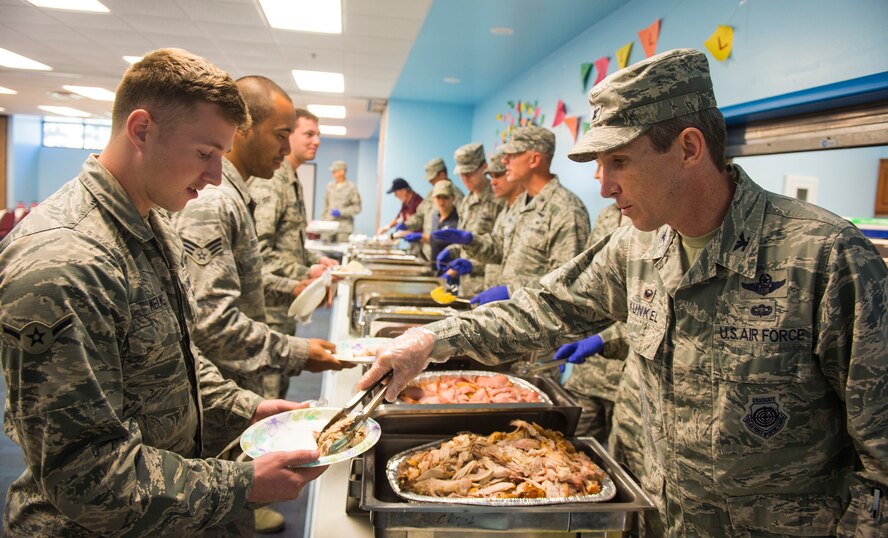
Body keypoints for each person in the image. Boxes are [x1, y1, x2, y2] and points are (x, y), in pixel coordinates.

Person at [359, 48, 888, 537]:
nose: (604, 185)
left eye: (620, 161)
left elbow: (881, 465)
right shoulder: (637, 246)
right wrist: (430, 341)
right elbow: (545, 307)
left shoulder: (826, 258)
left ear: (688, 148)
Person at [0, 48, 328, 537]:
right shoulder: (64, 264)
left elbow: (175, 357)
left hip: (168, 509)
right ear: (141, 130)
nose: (217, 175)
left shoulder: (152, 220)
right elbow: (88, 476)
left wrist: (248, 407)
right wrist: (242, 484)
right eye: (205, 154)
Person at [172, 76, 350, 533]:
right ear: (243, 128)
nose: (287, 146)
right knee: (224, 512)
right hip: (216, 383)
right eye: (281, 134)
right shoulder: (214, 202)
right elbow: (213, 322)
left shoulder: (236, 196)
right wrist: (298, 351)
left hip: (231, 379)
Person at [432, 126, 590, 305]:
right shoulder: (520, 204)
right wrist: (471, 241)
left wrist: (510, 291)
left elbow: (566, 280)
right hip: (511, 317)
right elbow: (501, 249)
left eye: (513, 155)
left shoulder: (567, 209)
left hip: (540, 326)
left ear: (534, 159)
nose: (505, 160)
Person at [248, 107, 338, 336]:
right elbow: (259, 252)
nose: (317, 141)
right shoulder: (272, 181)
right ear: (289, 135)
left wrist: (317, 260)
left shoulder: (291, 179)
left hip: (283, 306)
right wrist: (305, 272)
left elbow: (289, 244)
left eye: (318, 135)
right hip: (268, 311)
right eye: (309, 134)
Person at [435, 143, 503, 297]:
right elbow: (466, 242)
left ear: (484, 167)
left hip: (487, 287)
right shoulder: (467, 201)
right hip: (465, 286)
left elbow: (499, 251)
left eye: (470, 172)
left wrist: (471, 266)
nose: (465, 178)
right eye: (462, 173)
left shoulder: (498, 200)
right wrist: (452, 251)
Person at [399, 157, 464, 259]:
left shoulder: (456, 195)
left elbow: (460, 228)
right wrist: (406, 225)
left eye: (432, 179)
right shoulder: (431, 194)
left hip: (445, 254)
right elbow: (420, 215)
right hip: (428, 252)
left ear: (442, 174)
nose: (430, 181)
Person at [321, 160, 362, 242]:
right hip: (328, 225)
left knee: (340, 252)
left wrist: (341, 212)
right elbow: (325, 205)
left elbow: (357, 208)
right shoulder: (330, 186)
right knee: (325, 251)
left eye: (334, 171)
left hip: (343, 228)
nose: (332, 173)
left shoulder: (351, 187)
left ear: (342, 171)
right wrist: (322, 221)